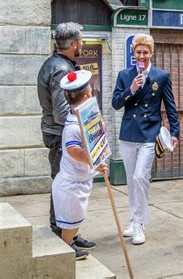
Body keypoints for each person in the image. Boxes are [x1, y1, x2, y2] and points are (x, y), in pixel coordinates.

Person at [112, 34, 179, 245]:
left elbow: (170, 105)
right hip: (129, 133)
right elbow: (115, 103)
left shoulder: (161, 76)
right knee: (132, 180)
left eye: (145, 52)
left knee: (141, 177)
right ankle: (134, 219)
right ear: (134, 54)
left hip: (150, 133)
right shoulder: (124, 75)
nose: (141, 56)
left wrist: (175, 131)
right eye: (138, 52)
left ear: (151, 53)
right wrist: (131, 89)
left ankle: (140, 223)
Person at [37, 22, 95, 249]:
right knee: (64, 188)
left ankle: (70, 232)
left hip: (59, 133)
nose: (82, 44)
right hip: (60, 135)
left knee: (66, 188)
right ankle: (61, 238)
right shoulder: (61, 69)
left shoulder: (60, 63)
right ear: (73, 44)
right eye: (80, 40)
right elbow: (62, 114)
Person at [52, 70, 108, 260]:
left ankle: (72, 240)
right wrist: (95, 161)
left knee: (76, 217)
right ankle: (65, 250)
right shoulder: (72, 126)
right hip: (71, 184)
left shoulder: (83, 115)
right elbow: (74, 150)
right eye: (90, 88)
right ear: (87, 95)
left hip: (80, 179)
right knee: (70, 221)